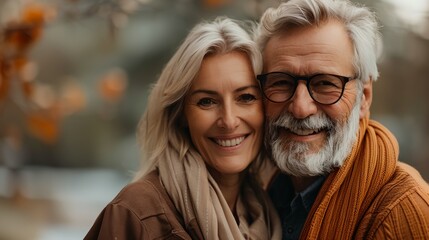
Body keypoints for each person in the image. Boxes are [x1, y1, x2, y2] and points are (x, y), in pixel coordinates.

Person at [84, 17, 281, 239]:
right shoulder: (136, 212)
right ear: (181, 115)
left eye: (245, 97)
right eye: (207, 101)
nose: (229, 120)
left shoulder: (272, 211)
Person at [254, 0, 429, 239]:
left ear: (364, 97)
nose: (300, 108)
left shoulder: (403, 212)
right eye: (281, 82)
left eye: (325, 83)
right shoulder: (261, 200)